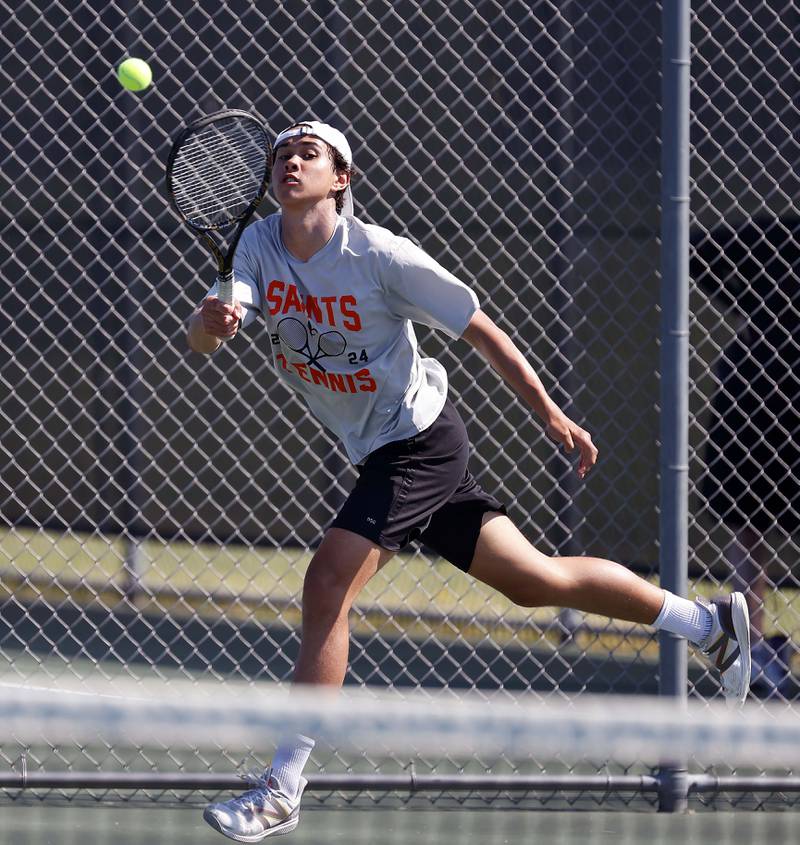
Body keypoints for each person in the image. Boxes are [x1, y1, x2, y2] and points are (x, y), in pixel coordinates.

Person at [188, 121, 751, 841]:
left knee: (328, 582)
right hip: (379, 450)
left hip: (418, 443)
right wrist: (214, 321)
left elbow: (480, 327)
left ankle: (281, 787)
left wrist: (548, 411)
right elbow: (206, 334)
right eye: (280, 155)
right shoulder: (258, 245)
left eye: (308, 154)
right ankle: (708, 625)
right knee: (534, 578)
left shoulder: (381, 256)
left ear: (342, 178)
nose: (290, 162)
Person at [694, 217, 800, 697]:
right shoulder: (779, 236)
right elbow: (698, 251)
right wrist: (756, 306)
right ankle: (752, 647)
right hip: (756, 390)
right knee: (748, 519)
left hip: (771, 387)